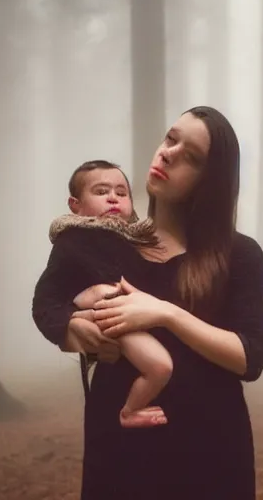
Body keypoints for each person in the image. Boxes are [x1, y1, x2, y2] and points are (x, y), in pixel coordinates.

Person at [32, 106, 263, 499]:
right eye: (170, 138)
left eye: (190, 156)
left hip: (209, 458)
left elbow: (251, 357)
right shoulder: (107, 247)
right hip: (119, 454)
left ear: (209, 182)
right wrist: (76, 329)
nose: (168, 153)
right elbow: (51, 305)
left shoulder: (238, 255)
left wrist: (166, 313)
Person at [43, 160, 174, 428]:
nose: (113, 198)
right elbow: (45, 301)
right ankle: (130, 411)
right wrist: (71, 320)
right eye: (101, 192)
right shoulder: (72, 241)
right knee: (160, 367)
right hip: (111, 319)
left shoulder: (138, 240)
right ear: (75, 205)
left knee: (160, 366)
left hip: (136, 315)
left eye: (121, 193)